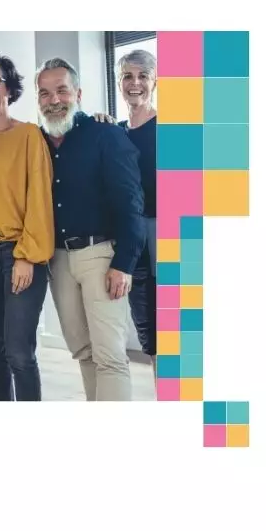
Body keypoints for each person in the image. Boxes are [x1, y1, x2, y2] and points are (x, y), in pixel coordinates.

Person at [35, 57, 144, 401]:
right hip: (58, 260)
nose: (54, 100)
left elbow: (131, 203)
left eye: (62, 90)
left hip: (101, 257)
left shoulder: (105, 135)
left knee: (110, 356)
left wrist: (124, 264)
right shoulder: (34, 142)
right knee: (83, 351)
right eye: (45, 93)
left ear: (78, 93)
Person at [0, 52, 54, 401]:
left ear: (8, 88)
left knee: (19, 352)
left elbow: (40, 201)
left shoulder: (30, 135)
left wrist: (27, 257)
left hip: (21, 253)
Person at [116, 49, 157, 373]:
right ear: (119, 83)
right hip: (132, 242)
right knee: (151, 337)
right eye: (128, 76)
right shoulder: (115, 132)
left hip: (166, 237)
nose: (135, 83)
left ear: (154, 81)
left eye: (143, 75)